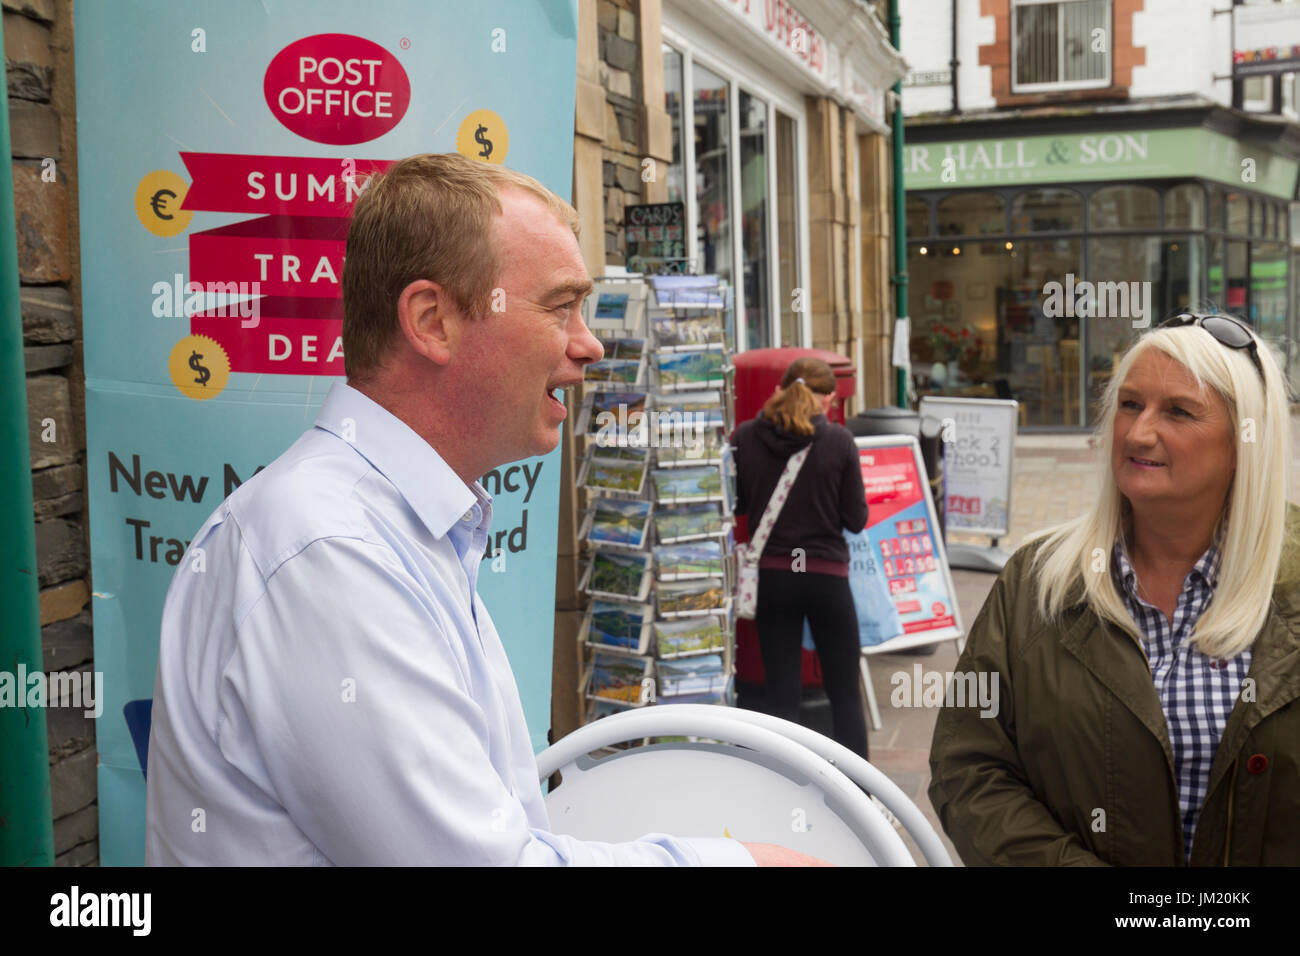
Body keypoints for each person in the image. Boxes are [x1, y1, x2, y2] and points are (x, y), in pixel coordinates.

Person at [146, 153, 823, 866]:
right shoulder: (331, 550)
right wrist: (750, 862)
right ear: (433, 321)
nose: (589, 345)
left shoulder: (389, 527)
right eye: (561, 307)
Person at [929, 312, 1300, 865]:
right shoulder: (1037, 580)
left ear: (1246, 440)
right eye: (1130, 404)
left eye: (1178, 411)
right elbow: (968, 767)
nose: (1139, 432)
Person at [731, 358, 870, 758]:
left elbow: (737, 503)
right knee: (844, 693)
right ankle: (861, 796)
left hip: (775, 579)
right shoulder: (840, 441)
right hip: (826, 578)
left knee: (781, 695)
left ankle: (784, 787)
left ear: (782, 387)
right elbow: (856, 520)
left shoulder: (746, 436)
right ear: (827, 398)